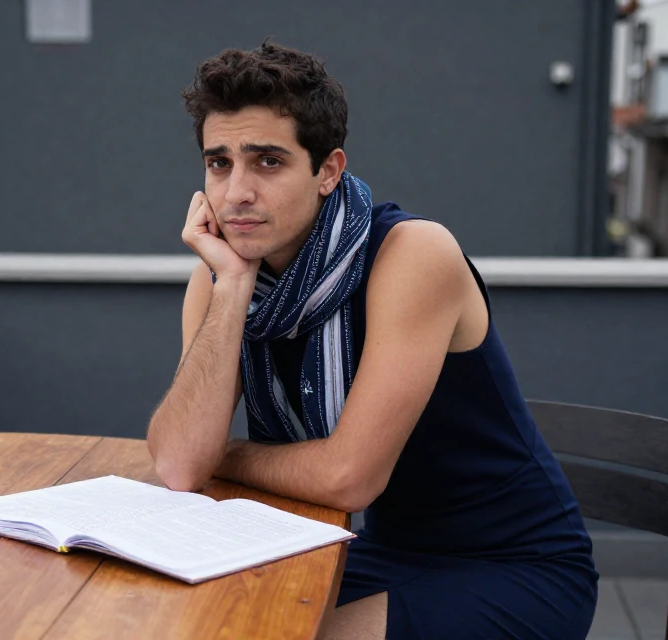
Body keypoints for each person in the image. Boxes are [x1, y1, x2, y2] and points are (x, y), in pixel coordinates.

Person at [146, 40, 598, 639]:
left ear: (328, 170)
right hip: (384, 551)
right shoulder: (224, 276)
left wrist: (225, 456)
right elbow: (180, 464)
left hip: (514, 566)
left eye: (268, 162)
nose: (235, 194)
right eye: (219, 163)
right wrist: (229, 287)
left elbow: (347, 479)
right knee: (206, 622)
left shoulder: (412, 254)